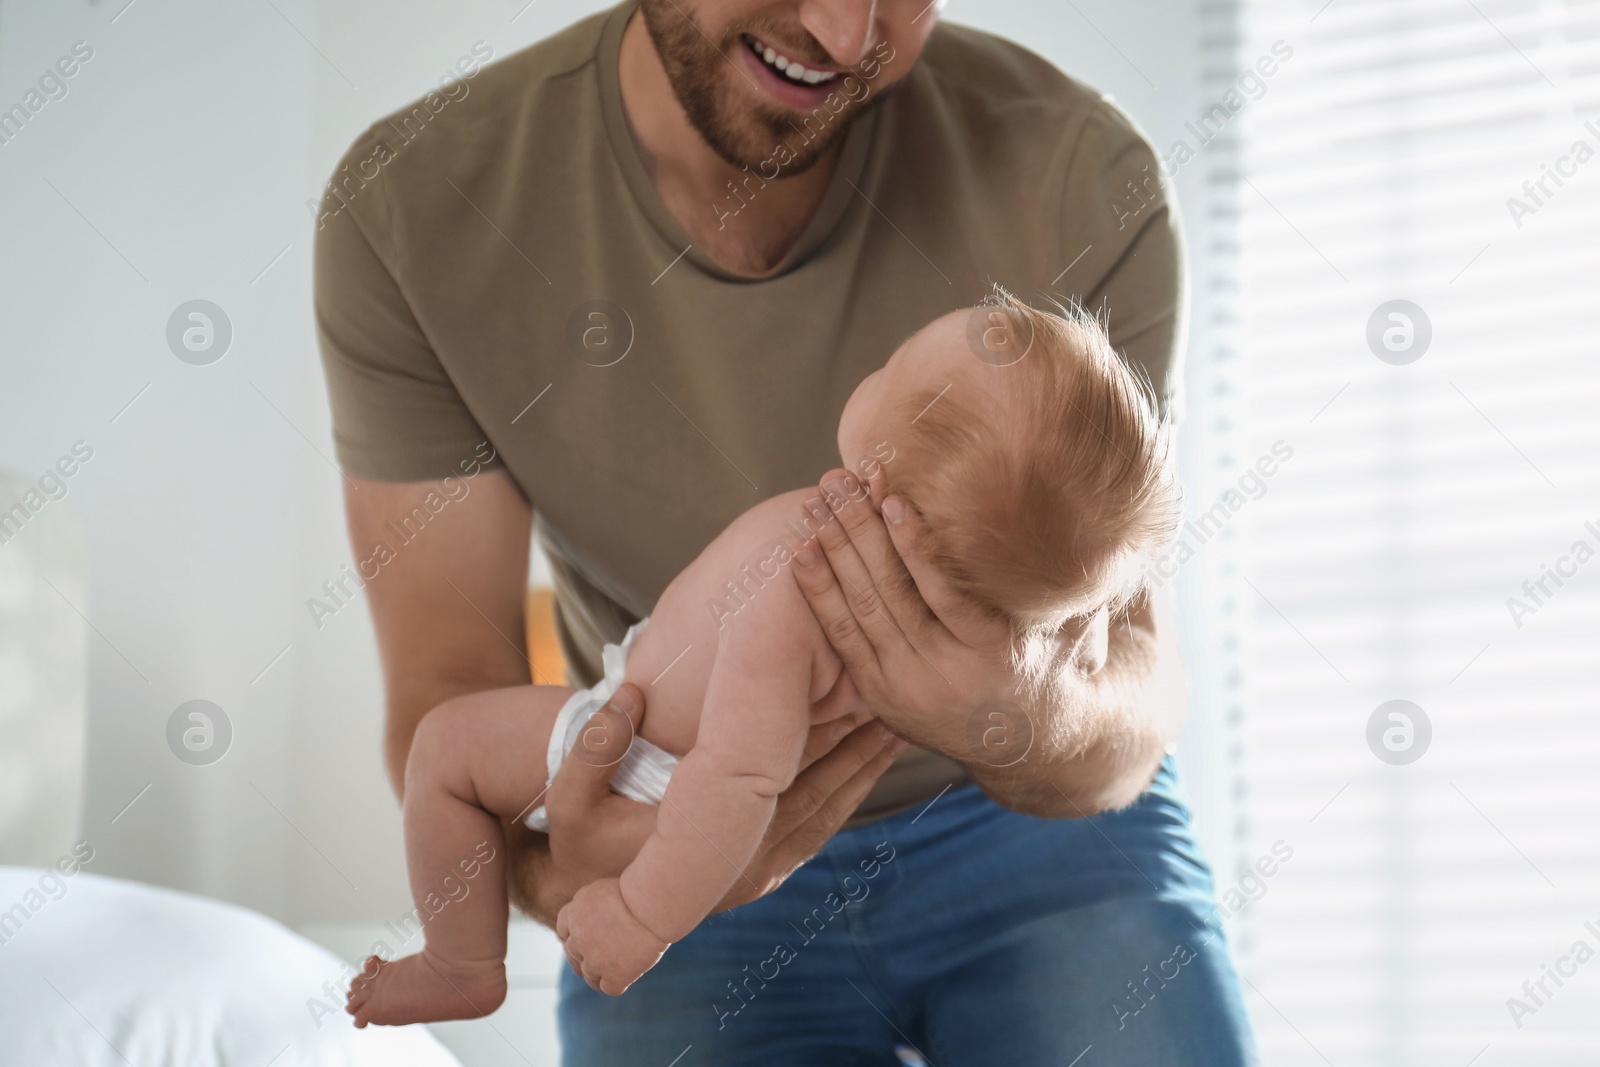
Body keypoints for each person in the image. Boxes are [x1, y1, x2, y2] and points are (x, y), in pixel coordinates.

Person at [315, 0, 1258, 1061]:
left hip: (1016, 816)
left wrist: (1010, 709)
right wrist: (574, 872)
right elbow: (448, 682)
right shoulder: (415, 207)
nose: (849, 37)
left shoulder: (1084, 171)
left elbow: (1136, 673)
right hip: (656, 832)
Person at [342, 294, 1181, 1025]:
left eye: (891, 369)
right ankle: (467, 957)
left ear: (887, 479)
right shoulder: (920, 595)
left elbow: (737, 781)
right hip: (647, 739)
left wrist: (643, 913)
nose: (877, 362)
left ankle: (460, 963)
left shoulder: (799, 583)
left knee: (443, 751)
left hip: (641, 762)